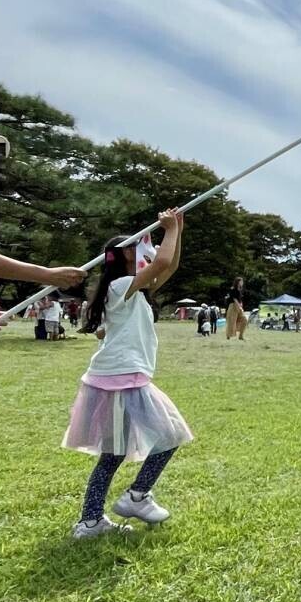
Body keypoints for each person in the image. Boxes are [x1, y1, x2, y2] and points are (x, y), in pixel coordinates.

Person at [63, 209, 194, 539]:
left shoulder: (129, 291)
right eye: (142, 255)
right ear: (128, 260)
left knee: (113, 454)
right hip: (125, 378)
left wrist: (175, 230)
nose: (148, 260)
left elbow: (170, 265)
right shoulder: (123, 286)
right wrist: (169, 230)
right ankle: (137, 496)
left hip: (116, 378)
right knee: (171, 435)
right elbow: (161, 263)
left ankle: (90, 522)